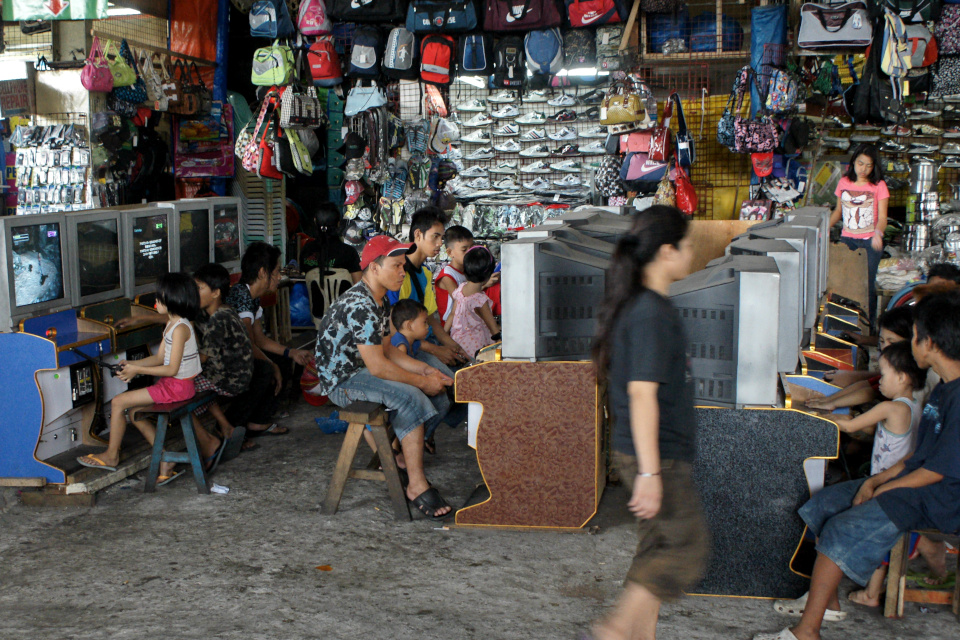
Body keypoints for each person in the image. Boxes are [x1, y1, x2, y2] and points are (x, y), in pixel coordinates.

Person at [755, 291, 960, 640]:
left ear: (930, 343)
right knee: (824, 504)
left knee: (842, 529)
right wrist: (874, 481)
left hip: (942, 497)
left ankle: (807, 631)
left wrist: (882, 486)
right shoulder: (942, 390)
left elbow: (937, 471)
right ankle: (828, 602)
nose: (910, 343)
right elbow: (917, 458)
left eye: (913, 336)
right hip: (919, 481)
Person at [587, 206, 709, 640]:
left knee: (655, 550)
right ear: (666, 252)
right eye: (687, 244)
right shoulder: (649, 312)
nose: (692, 252)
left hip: (653, 452)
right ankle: (614, 631)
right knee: (685, 547)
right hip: (657, 454)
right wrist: (650, 473)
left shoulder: (644, 305)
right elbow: (641, 393)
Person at [311, 235, 455, 519]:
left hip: (361, 369)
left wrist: (424, 370)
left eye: (403, 266)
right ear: (374, 268)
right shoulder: (361, 304)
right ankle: (416, 485)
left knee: (434, 390)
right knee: (412, 396)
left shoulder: (379, 300)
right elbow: (378, 366)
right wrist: (421, 382)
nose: (402, 272)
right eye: (396, 266)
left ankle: (398, 456)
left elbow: (388, 350)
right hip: (343, 380)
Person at [76, 273, 201, 483]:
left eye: (160, 298)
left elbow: (171, 369)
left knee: (118, 402)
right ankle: (165, 458)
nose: (156, 302)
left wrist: (137, 370)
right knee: (134, 412)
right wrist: (132, 365)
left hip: (177, 387)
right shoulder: (172, 324)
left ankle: (111, 455)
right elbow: (159, 358)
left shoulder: (180, 328)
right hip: (175, 385)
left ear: (173, 299)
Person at [225, 242, 312, 440]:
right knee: (265, 369)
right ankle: (236, 425)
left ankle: (259, 420)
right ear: (263, 272)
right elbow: (248, 343)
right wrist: (271, 364)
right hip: (230, 359)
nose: (279, 277)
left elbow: (260, 339)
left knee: (283, 359)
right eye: (276, 271)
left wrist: (292, 352)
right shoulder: (241, 296)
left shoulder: (253, 297)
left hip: (242, 352)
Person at [386, 207, 469, 367]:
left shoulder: (425, 273)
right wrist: (434, 350)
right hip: (409, 348)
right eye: (435, 236)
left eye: (442, 238)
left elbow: (430, 318)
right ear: (418, 234)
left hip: (427, 342)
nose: (440, 243)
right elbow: (394, 329)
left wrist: (455, 347)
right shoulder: (399, 274)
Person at [190, 264, 255, 462]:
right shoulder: (224, 310)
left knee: (179, 394)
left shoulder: (218, 319)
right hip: (238, 376)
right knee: (195, 382)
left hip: (230, 381)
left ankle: (208, 444)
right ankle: (226, 427)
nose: (194, 293)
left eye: (199, 288)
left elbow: (202, 359)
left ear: (215, 292)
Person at [829, 143, 889, 326]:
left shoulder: (879, 185)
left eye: (869, 165)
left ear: (874, 167)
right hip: (847, 241)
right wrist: (824, 229)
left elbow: (883, 217)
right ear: (853, 162)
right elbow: (838, 211)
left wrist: (878, 233)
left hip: (870, 242)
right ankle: (843, 325)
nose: (863, 169)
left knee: (867, 286)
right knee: (843, 284)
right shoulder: (844, 182)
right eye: (860, 163)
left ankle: (866, 327)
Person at [299, 199, 363, 318]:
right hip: (345, 315)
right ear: (338, 224)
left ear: (315, 221)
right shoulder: (348, 252)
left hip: (318, 315)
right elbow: (359, 286)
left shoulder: (306, 250)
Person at [444, 245, 500, 359]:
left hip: (458, 340)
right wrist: (499, 341)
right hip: (476, 345)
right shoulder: (480, 300)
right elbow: (492, 327)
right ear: (488, 275)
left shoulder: (460, 289)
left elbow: (452, 314)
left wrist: (444, 336)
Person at [434, 225, 474, 323]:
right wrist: (484, 285)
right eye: (464, 250)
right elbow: (461, 300)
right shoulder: (447, 276)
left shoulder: (468, 271)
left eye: (472, 248)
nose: (470, 253)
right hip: (452, 327)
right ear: (449, 252)